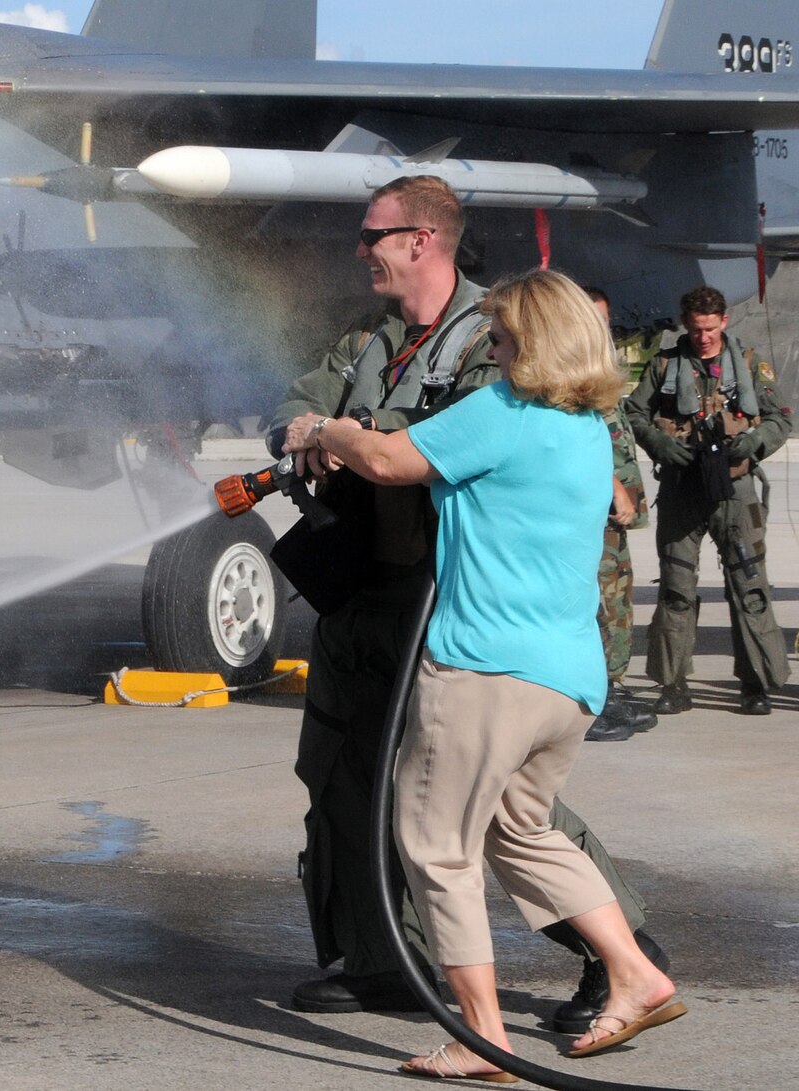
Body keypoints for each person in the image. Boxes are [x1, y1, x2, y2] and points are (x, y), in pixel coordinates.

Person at [267, 176, 660, 1021]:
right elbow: (302, 402)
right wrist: (304, 433)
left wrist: (352, 442)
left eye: (373, 234)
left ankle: (618, 950)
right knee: (341, 769)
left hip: (458, 599)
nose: (361, 248)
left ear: (422, 240)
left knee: (497, 802)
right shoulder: (370, 340)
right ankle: (378, 957)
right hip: (364, 587)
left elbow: (611, 469)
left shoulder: (507, 335)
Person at [623, 285, 790, 715]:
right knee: (677, 589)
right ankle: (673, 682)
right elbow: (635, 414)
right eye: (696, 329)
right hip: (683, 491)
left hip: (736, 491)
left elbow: (779, 418)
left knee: (749, 588)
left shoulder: (749, 364)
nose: (704, 337)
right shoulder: (665, 366)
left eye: (711, 329)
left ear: (724, 322)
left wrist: (753, 443)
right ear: (686, 324)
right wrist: (661, 445)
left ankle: (756, 683)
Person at [581, 287, 658, 742]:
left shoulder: (600, 370)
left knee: (619, 599)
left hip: (615, 513)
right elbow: (584, 438)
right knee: (600, 603)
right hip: (596, 508)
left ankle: (611, 687)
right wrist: (613, 489)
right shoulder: (575, 377)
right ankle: (596, 698)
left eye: (604, 321)